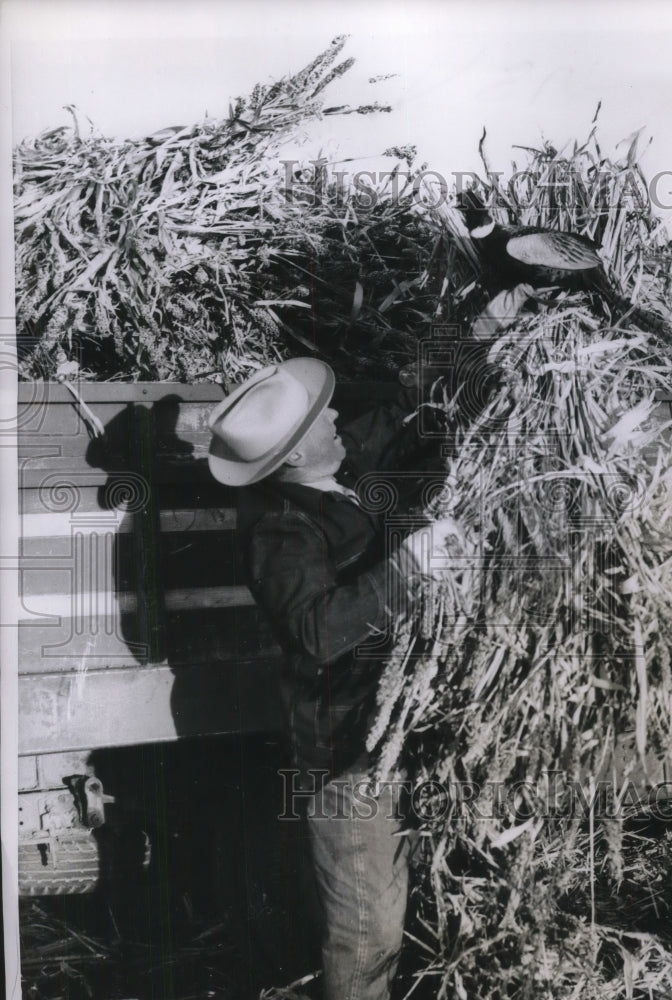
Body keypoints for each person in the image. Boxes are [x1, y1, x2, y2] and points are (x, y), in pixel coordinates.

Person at [206, 285, 530, 1000]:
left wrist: (475, 329)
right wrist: (409, 566)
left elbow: (419, 402)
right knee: (367, 933)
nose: (336, 415)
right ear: (294, 455)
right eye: (323, 417)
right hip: (348, 755)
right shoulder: (281, 530)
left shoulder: (342, 469)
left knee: (408, 920)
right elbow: (316, 631)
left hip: (403, 733)